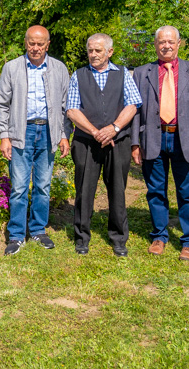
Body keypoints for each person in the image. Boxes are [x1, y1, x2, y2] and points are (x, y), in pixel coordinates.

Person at [131, 26, 189, 261]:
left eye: (170, 42)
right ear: (155, 45)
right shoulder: (142, 72)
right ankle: (159, 236)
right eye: (161, 42)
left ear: (179, 43)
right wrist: (136, 143)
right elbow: (135, 111)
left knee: (187, 192)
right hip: (152, 137)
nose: (166, 46)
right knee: (155, 191)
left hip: (183, 138)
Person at [0, 25, 70, 255]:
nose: (35, 48)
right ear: (25, 43)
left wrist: (64, 135)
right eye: (31, 43)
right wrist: (4, 135)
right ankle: (17, 235)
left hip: (48, 133)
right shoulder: (12, 68)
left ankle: (38, 230)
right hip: (21, 132)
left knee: (43, 185)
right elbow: (2, 105)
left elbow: (66, 106)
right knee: (18, 187)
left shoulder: (59, 68)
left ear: (48, 45)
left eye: (40, 44)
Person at [67, 33, 141, 256]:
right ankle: (81, 236)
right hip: (86, 142)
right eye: (90, 50)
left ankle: (118, 237)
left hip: (117, 141)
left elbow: (133, 104)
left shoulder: (123, 75)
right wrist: (95, 131)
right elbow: (72, 109)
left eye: (98, 50)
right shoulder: (78, 75)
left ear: (110, 52)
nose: (93, 54)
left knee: (118, 189)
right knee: (84, 189)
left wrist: (114, 128)